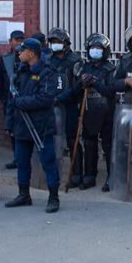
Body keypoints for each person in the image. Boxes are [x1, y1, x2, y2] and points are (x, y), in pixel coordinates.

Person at [5, 38, 61, 213]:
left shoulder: (47, 72)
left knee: (48, 162)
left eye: (22, 51)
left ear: (31, 53)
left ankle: (53, 197)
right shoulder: (20, 71)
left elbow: (45, 98)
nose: (19, 54)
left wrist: (20, 102)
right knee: (22, 162)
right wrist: (9, 122)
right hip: (21, 124)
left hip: (41, 126)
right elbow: (11, 99)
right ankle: (23, 194)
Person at [67, 33, 116, 190]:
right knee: (89, 143)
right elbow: (75, 90)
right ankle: (89, 175)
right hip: (88, 110)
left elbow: (110, 91)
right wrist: (81, 83)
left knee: (108, 145)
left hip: (106, 111)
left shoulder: (110, 69)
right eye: (93, 48)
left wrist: (95, 82)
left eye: (98, 48)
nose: (95, 51)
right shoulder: (84, 67)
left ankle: (112, 177)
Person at [47, 28, 81, 183]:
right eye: (53, 42)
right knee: (53, 138)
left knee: (72, 138)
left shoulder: (75, 60)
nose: (55, 44)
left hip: (70, 105)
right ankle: (52, 171)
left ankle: (76, 173)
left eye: (58, 41)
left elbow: (78, 86)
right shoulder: (48, 60)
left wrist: (62, 97)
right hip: (52, 106)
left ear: (66, 43)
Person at [0, 29, 25, 170]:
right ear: (10, 42)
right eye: (17, 40)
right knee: (12, 130)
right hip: (9, 101)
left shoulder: (26, 57)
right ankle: (17, 158)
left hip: (23, 100)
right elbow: (0, 80)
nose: (19, 43)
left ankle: (24, 159)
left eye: (21, 40)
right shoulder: (6, 58)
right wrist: (3, 98)